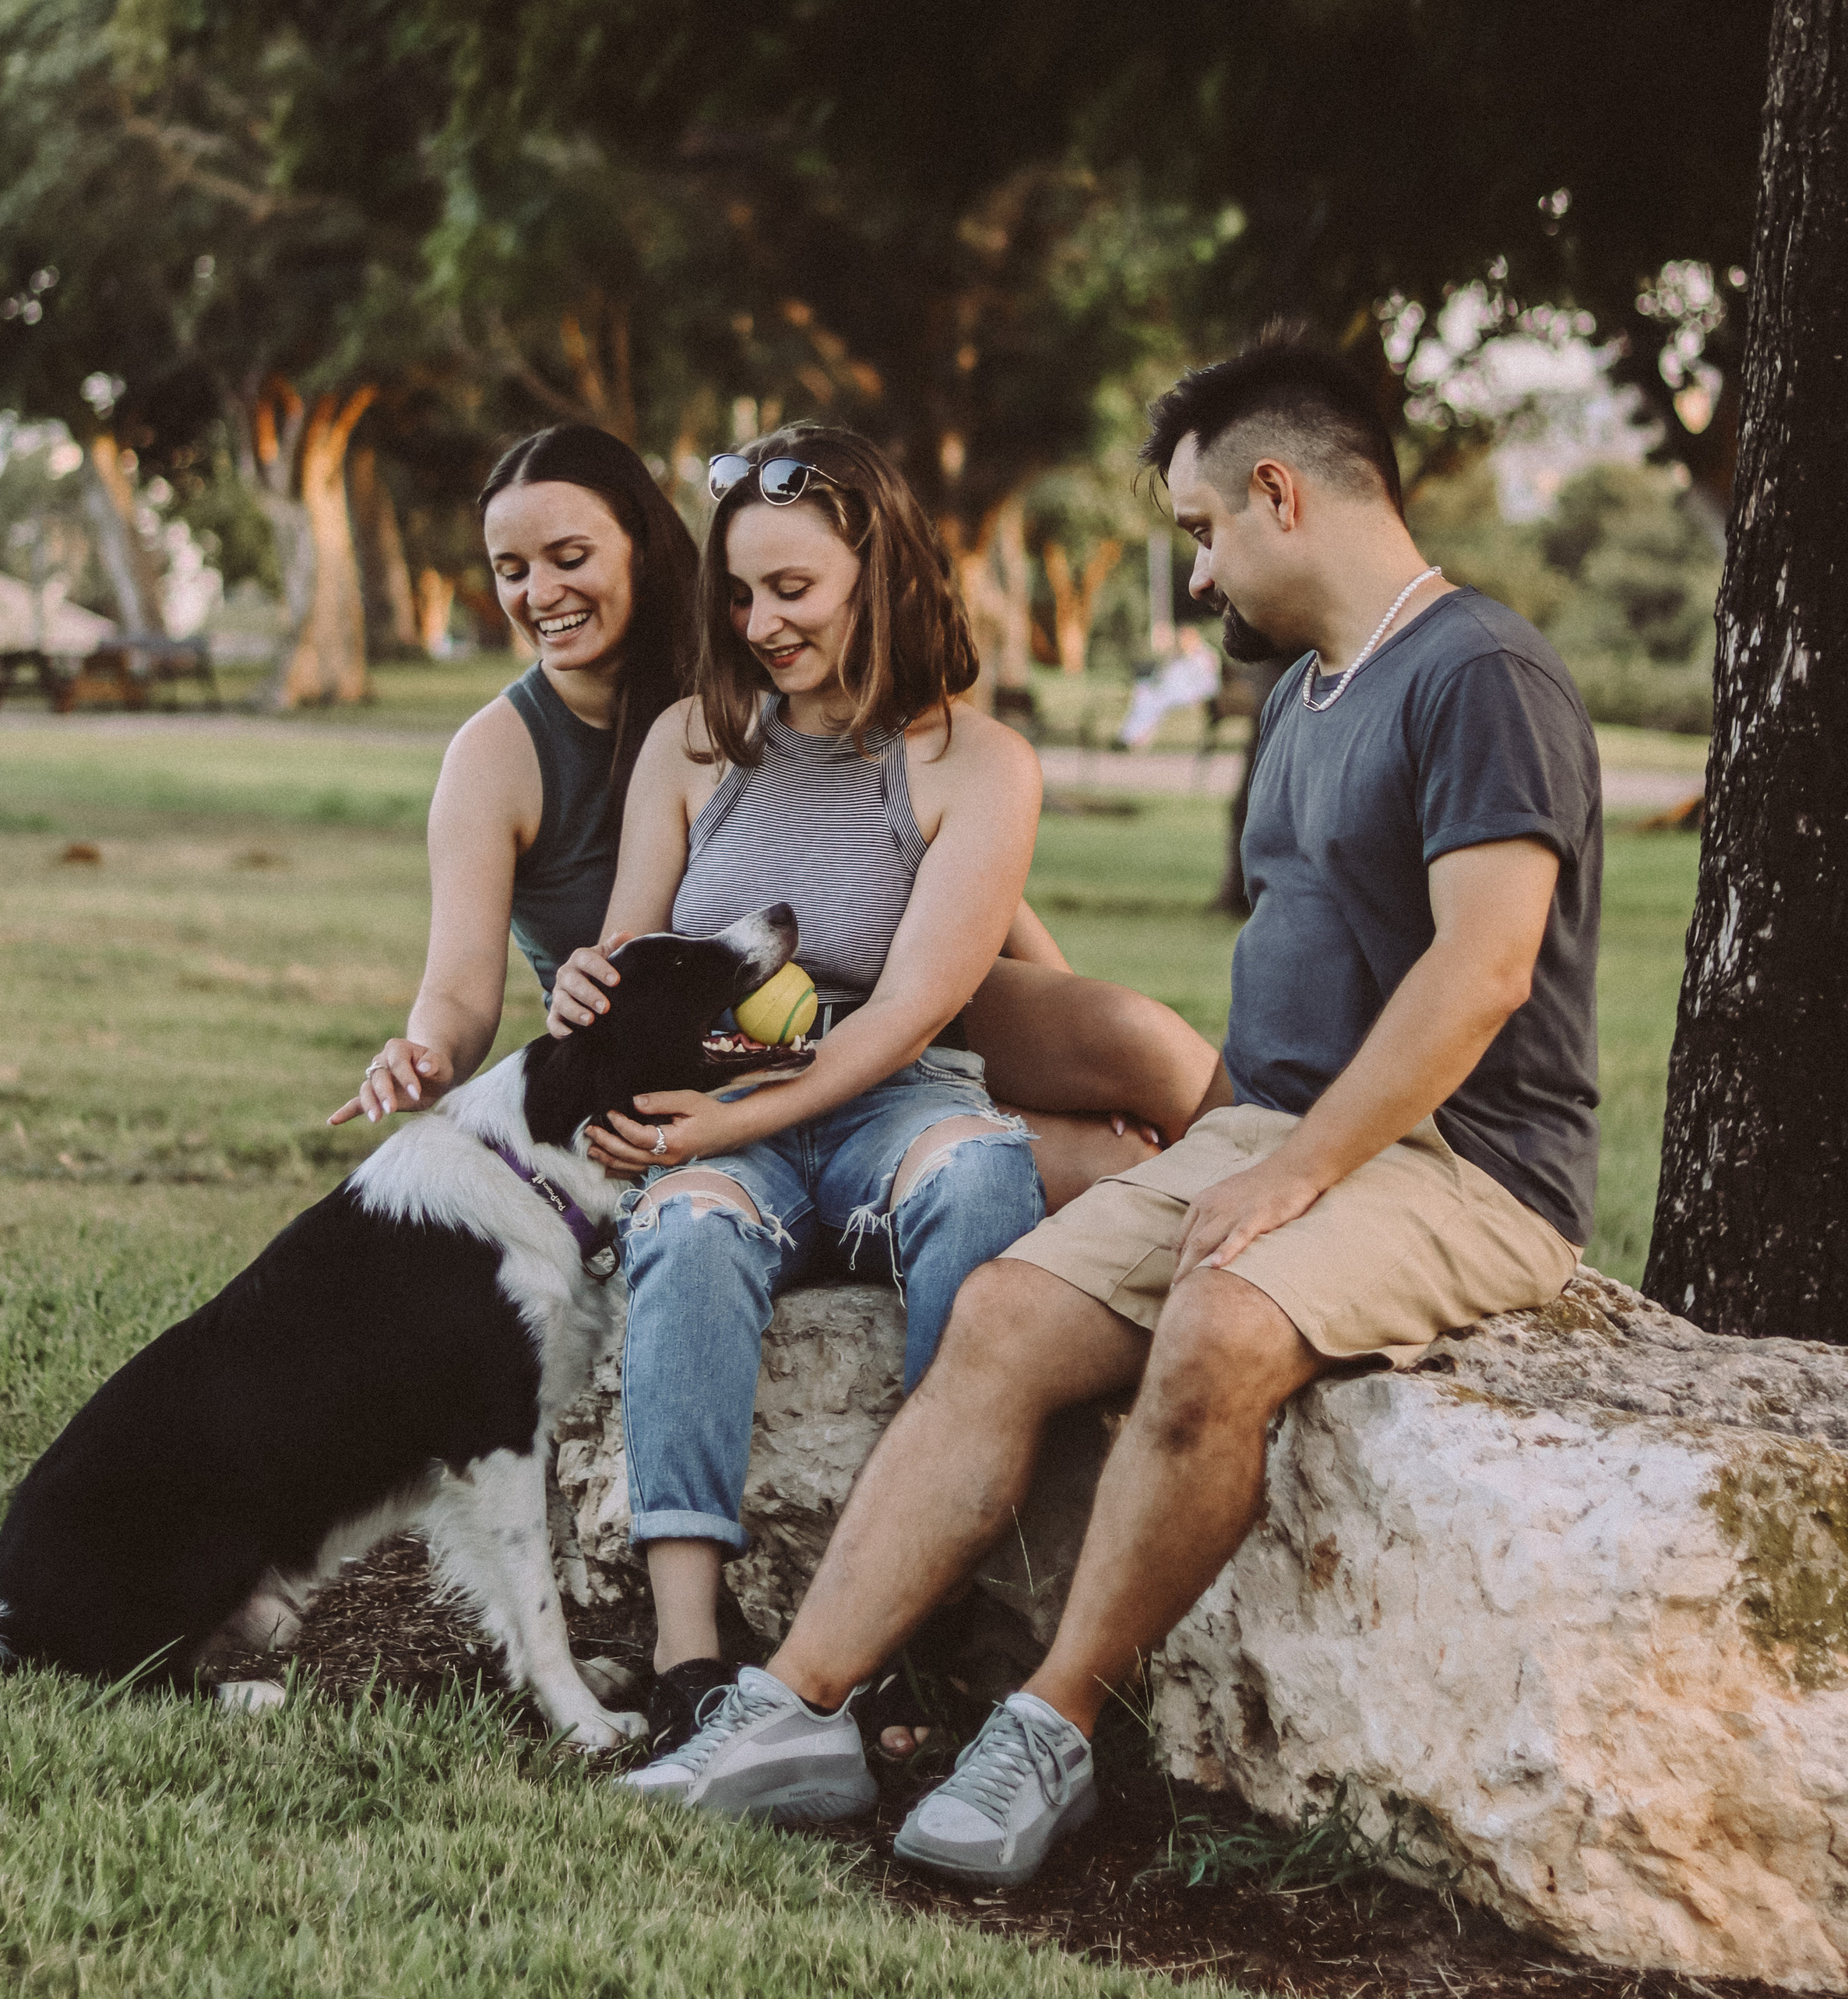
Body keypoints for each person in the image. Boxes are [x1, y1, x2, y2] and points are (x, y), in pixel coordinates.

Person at [639, 337, 1600, 1881]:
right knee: (1007, 1313)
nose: (1199, 572)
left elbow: (1481, 974)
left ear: (1277, 491)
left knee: (1221, 1325)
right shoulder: (1302, 698)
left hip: (1460, 1165)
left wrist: (1296, 1170)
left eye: (1202, 530)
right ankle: (789, 1713)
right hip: (1280, 1133)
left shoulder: (1476, 672)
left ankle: (1052, 1724)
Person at [547, 424, 1219, 1773]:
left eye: (792, 589)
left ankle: (924, 1624)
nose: (759, 622)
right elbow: (636, 951)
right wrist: (589, 989)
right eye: (740, 594)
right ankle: (690, 1657)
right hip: (716, 1102)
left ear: (879, 573)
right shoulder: (691, 742)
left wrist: (743, 1121)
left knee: (976, 1170)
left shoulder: (978, 764)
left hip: (893, 1100)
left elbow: (916, 1009)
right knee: (686, 1230)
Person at [329, 422, 699, 1131]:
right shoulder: (492, 758)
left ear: (641, 547)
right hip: (632, 1114)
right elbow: (460, 993)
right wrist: (424, 1055)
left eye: (570, 557)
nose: (541, 593)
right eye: (513, 570)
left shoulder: (737, 694)